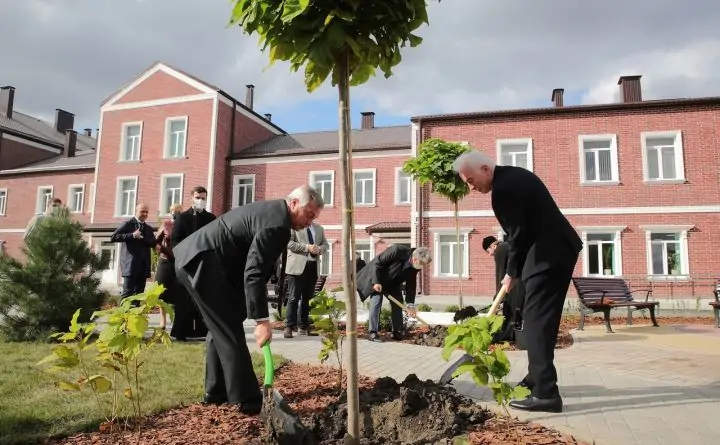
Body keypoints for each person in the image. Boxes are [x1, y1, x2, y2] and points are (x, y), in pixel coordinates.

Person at [173, 184, 324, 414]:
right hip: (203, 262)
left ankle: (216, 393)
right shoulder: (276, 224)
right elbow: (254, 272)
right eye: (309, 214)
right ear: (294, 203)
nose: (310, 222)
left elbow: (254, 268)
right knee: (229, 328)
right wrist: (262, 321)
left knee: (221, 327)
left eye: (314, 217)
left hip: (203, 261)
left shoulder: (276, 215)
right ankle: (247, 401)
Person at [453, 150, 582, 413]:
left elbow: (517, 237)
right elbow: (523, 232)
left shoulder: (504, 191)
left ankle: (546, 394)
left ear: (485, 169)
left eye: (470, 179)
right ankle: (535, 380)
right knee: (539, 322)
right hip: (553, 252)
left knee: (536, 324)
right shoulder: (513, 176)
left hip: (547, 256)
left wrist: (510, 274)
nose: (470, 186)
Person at [356, 245, 432, 342]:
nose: (422, 266)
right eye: (421, 263)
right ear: (415, 258)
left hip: (393, 283)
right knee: (376, 302)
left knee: (398, 303)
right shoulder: (397, 251)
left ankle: (397, 331)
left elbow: (411, 284)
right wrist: (376, 282)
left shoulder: (416, 266)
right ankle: (373, 332)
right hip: (378, 277)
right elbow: (377, 263)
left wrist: (410, 304)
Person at [170, 186, 216, 341]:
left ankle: (204, 332)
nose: (200, 200)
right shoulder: (182, 218)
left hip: (204, 265)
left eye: (203, 198)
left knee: (204, 301)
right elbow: (175, 241)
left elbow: (215, 240)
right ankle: (181, 332)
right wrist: (187, 255)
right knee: (184, 300)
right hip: (186, 265)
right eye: (198, 197)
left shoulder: (211, 218)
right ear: (191, 198)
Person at [283, 221, 328, 338]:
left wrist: (319, 249)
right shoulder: (294, 225)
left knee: (307, 299)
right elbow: (288, 243)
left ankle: (303, 327)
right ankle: (289, 326)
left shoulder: (319, 228)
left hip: (312, 267)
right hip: (297, 267)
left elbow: (325, 244)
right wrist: (307, 247)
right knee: (293, 297)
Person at [482, 235, 526, 343]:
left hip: (514, 285)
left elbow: (500, 274)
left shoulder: (500, 250)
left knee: (509, 310)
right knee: (520, 310)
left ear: (493, 245)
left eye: (488, 251)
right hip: (523, 281)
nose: (490, 254)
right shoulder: (508, 246)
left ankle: (507, 336)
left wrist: (497, 295)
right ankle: (518, 335)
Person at [110, 203, 157, 302]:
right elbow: (114, 237)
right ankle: (123, 317)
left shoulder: (148, 228)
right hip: (130, 266)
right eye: (142, 211)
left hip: (143, 267)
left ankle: (136, 317)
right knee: (127, 294)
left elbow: (153, 243)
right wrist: (132, 235)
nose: (144, 214)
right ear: (136, 211)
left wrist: (143, 238)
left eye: (146, 212)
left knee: (139, 296)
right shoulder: (128, 224)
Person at [154, 204, 183, 330]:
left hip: (179, 262)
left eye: (179, 211)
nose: (176, 213)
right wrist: (164, 251)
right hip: (165, 262)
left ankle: (178, 323)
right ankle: (163, 322)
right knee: (161, 292)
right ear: (170, 212)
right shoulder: (166, 225)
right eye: (174, 211)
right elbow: (155, 242)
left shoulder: (184, 225)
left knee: (180, 293)